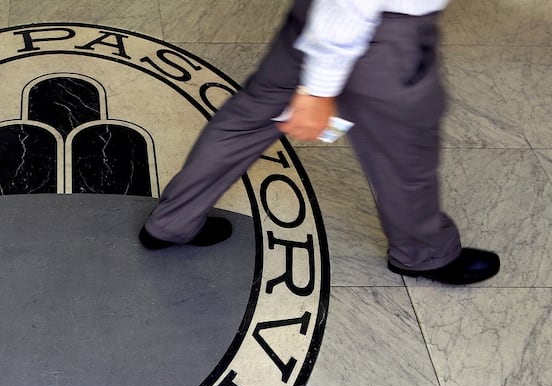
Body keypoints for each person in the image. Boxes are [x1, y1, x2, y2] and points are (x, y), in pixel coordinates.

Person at [139, 0, 500, 285]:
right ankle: (423, 253)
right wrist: (319, 88)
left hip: (318, 13)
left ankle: (172, 221)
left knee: (245, 121)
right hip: (378, 30)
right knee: (406, 157)